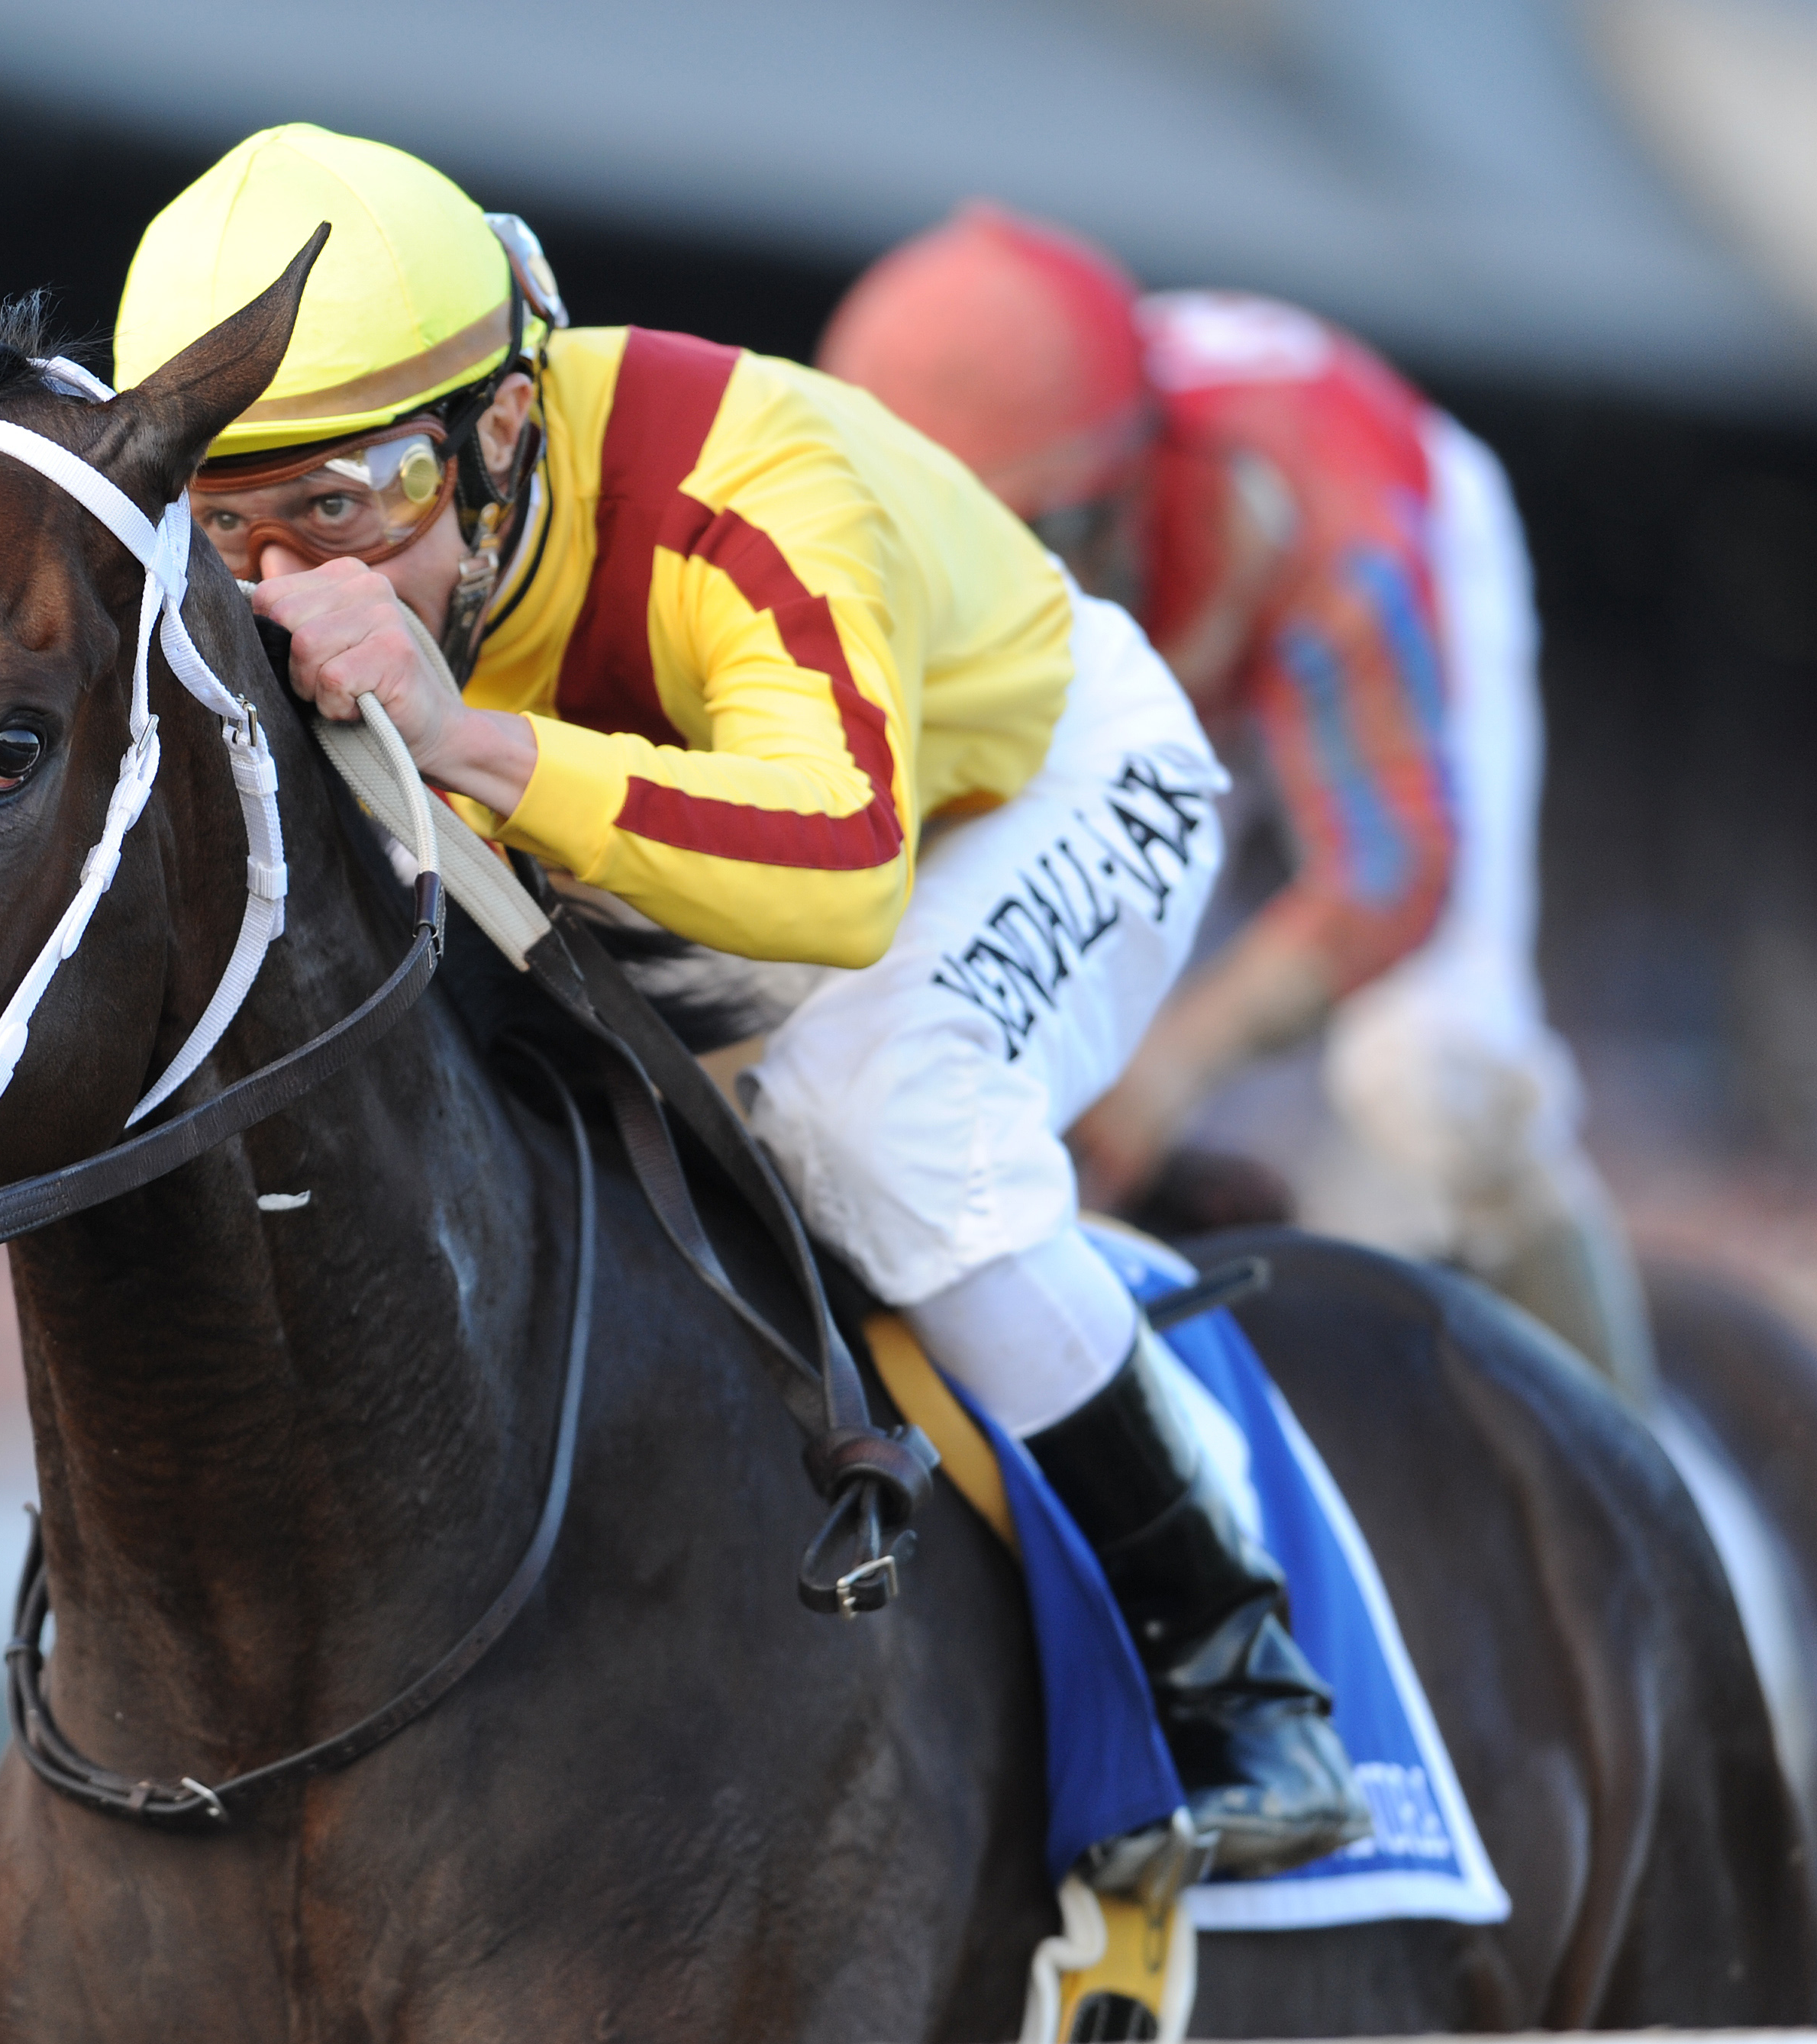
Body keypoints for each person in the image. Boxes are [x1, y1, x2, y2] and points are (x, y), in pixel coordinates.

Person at [116, 125, 1367, 1882]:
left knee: (868, 1104)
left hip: (1016, 794)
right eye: (221, 522)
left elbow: (847, 875)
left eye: (343, 506)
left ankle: (1238, 1674)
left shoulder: (746, 480)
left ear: (499, 429)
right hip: (726, 829)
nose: (282, 591)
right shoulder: (349, 554)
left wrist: (470, 739)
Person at [819, 203, 1653, 1399]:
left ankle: (1631, 1466)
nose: (1003, 589)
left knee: (1430, 1070)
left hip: (1373, 547)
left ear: (1131, 478)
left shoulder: (1321, 512)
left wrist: (1175, 1064)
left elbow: (1389, 870)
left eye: (1041, 539)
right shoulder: (1000, 474)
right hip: (1178, 626)